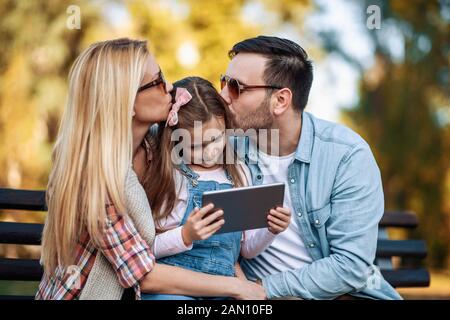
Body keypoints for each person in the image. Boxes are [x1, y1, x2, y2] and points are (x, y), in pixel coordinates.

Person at [36, 38, 266, 300]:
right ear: (126, 100)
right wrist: (236, 287)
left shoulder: (158, 147)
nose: (169, 87)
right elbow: (143, 274)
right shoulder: (95, 176)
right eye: (157, 82)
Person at [220, 35, 402, 300]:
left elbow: (350, 267)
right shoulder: (218, 147)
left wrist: (261, 288)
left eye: (236, 87)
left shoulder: (346, 155)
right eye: (223, 82)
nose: (223, 95)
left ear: (280, 100)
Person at [141, 77, 291, 300]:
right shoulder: (172, 176)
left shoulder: (238, 173)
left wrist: (271, 230)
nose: (209, 152)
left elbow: (247, 250)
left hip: (224, 286)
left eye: (217, 139)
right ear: (174, 140)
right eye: (196, 146)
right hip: (175, 287)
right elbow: (147, 250)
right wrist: (185, 235)